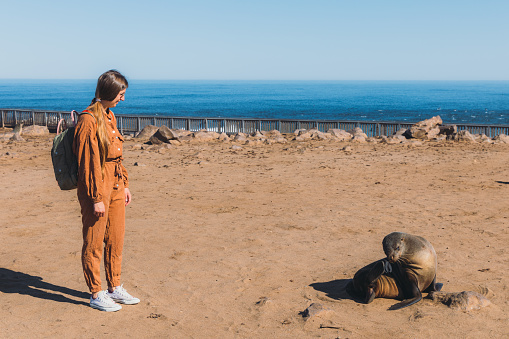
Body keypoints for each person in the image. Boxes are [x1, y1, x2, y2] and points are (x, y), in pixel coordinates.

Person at [73, 70, 139, 312]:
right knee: (94, 241)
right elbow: (86, 163)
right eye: (121, 94)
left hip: (116, 185)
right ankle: (96, 292)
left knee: (116, 237)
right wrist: (95, 198)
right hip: (96, 188)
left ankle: (114, 287)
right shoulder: (88, 119)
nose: (123, 99)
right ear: (110, 93)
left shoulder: (110, 116)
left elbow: (116, 156)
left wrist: (125, 183)